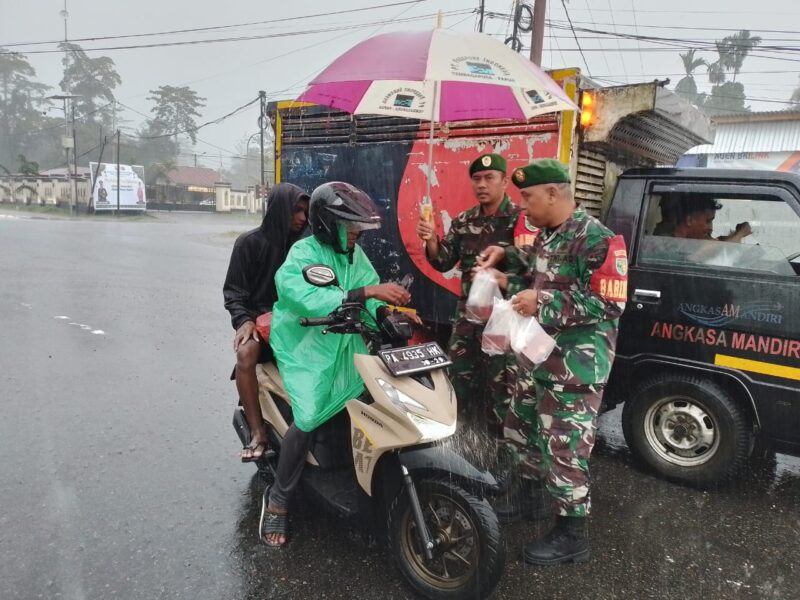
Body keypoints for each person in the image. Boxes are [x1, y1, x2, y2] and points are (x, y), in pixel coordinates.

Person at [478, 159, 628, 565]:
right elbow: (536, 274)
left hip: (575, 367)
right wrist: (505, 262)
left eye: (527, 197)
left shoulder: (597, 238)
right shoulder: (548, 236)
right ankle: (529, 500)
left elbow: (610, 302)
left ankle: (571, 535)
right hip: (539, 356)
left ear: (553, 193)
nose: (522, 205)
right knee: (521, 427)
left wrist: (541, 301)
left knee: (565, 447)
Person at [260, 182, 413, 548]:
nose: (357, 233)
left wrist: (389, 311)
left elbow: (371, 290)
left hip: (347, 340)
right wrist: (364, 295)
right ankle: (279, 498)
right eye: (351, 225)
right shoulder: (304, 252)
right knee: (310, 415)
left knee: (374, 399)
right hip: (308, 343)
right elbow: (299, 294)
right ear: (328, 223)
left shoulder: (353, 255)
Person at [415, 153, 521, 431]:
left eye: (489, 178)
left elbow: (532, 267)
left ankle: (500, 449)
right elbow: (443, 260)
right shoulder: (465, 220)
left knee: (501, 387)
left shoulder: (519, 220)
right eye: (476, 179)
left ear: (504, 181)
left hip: (503, 321)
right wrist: (431, 240)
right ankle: (457, 442)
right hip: (468, 318)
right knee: (457, 380)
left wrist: (501, 267)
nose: (482, 185)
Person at [223, 183, 310, 462]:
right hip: (261, 323)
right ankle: (258, 431)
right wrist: (244, 321)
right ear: (279, 210)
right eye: (296, 211)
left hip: (298, 323)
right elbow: (234, 291)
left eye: (306, 212)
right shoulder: (249, 243)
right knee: (245, 354)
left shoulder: (306, 247)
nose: (302, 218)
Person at [671, 196, 752, 242]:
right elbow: (714, 249)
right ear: (689, 221)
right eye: (708, 221)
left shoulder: (690, 240)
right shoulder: (667, 242)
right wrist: (741, 233)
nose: (711, 228)